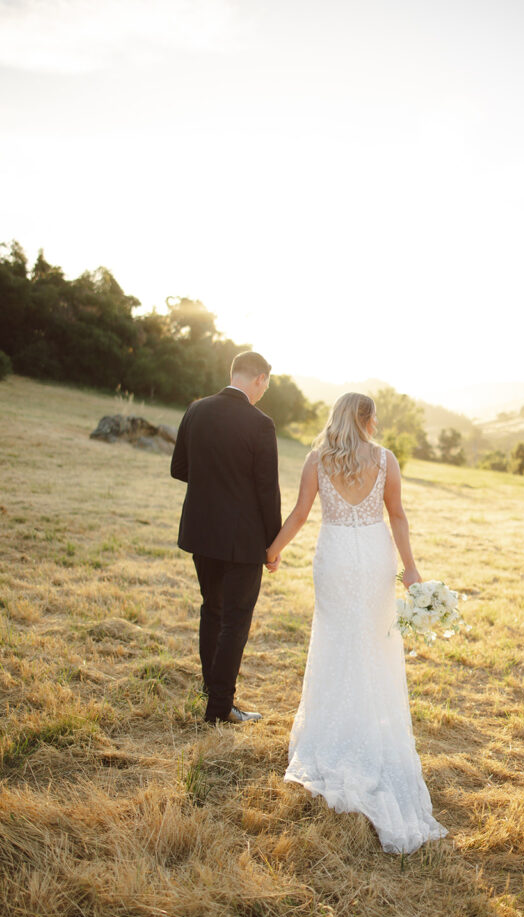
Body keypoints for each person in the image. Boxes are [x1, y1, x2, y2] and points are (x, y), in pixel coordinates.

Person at [265, 393, 447, 853]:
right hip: (372, 557)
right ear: (368, 419)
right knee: (373, 646)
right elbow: (398, 516)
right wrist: (411, 569)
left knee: (334, 642)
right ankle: (370, 732)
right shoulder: (386, 459)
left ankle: (331, 737)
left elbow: (302, 514)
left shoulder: (317, 459)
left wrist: (274, 549)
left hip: (336, 558)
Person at [170, 351, 282, 725]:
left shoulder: (196, 410)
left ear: (232, 373)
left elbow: (179, 469)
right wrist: (273, 545)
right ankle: (220, 708)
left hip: (201, 532)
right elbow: (268, 490)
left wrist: (212, 488)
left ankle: (212, 693)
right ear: (260, 379)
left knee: (211, 611)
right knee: (235, 621)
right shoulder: (260, 423)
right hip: (243, 540)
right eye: (266, 383)